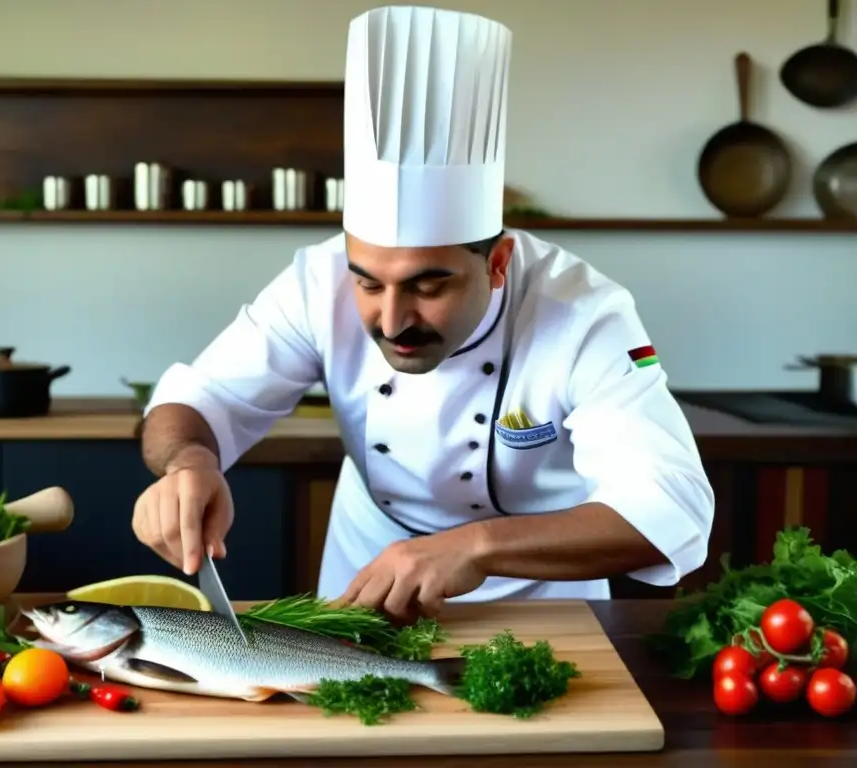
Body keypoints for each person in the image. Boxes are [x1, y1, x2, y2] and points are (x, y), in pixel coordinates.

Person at [133, 5, 715, 624]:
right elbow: (197, 400)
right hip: (369, 569)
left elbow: (671, 511)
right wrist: (188, 462)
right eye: (368, 283)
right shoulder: (316, 281)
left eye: (428, 285)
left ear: (497, 263)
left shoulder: (582, 314)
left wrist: (478, 545)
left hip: (545, 597)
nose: (390, 320)